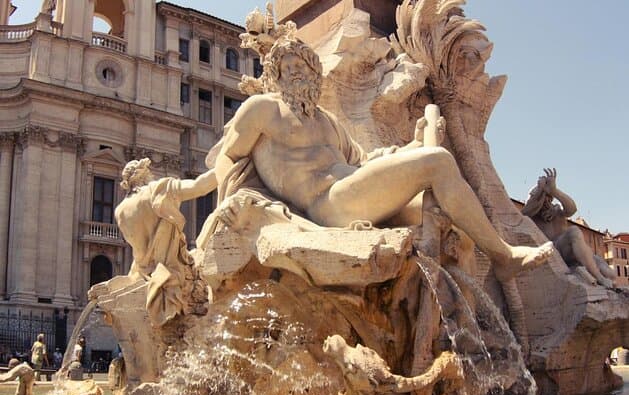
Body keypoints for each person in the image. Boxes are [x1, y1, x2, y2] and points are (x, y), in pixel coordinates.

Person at [211, 38, 553, 281]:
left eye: (301, 65)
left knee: (453, 222)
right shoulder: (263, 110)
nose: (295, 73)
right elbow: (228, 157)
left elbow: (365, 163)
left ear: (314, 71)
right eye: (286, 69)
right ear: (275, 76)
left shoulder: (328, 121)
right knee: (436, 161)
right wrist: (231, 201)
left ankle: (455, 336)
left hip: (354, 190)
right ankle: (504, 256)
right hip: (327, 204)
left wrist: (412, 145)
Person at [112, 158, 217, 326]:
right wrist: (229, 162)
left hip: (142, 276)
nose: (152, 176)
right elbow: (201, 186)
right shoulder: (158, 191)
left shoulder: (120, 211)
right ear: (142, 175)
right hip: (173, 276)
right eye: (149, 172)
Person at [522, 168, 615, 288]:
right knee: (574, 231)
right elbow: (524, 213)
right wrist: (540, 191)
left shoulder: (557, 211)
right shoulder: (532, 215)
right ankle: (599, 278)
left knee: (610, 274)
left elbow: (572, 209)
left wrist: (554, 191)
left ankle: (599, 273)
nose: (546, 201)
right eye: (543, 198)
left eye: (549, 198)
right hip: (554, 252)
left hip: (574, 252)